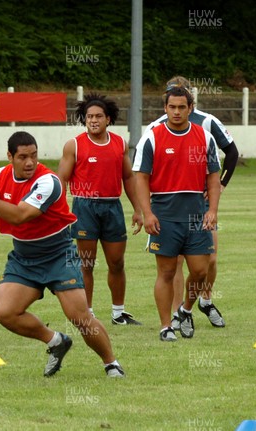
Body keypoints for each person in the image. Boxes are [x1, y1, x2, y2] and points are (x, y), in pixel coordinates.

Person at [0, 131, 124, 377]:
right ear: (10, 157)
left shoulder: (48, 181)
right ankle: (56, 341)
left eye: (33, 156)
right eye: (23, 157)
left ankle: (111, 364)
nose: (29, 162)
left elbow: (19, 215)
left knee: (79, 316)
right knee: (5, 312)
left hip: (59, 254)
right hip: (24, 257)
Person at [141, 76, 239, 329]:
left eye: (182, 103)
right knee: (173, 265)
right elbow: (141, 174)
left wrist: (219, 187)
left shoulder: (207, 124)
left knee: (208, 262)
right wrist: (145, 211)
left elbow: (231, 153)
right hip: (168, 210)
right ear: (165, 103)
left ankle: (203, 301)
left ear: (190, 102)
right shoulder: (154, 130)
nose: (176, 110)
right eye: (171, 103)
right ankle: (177, 315)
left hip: (200, 207)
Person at [58, 93, 144, 325]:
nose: (93, 120)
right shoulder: (74, 145)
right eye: (89, 116)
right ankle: (87, 313)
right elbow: (61, 179)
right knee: (87, 263)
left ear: (108, 119)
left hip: (112, 207)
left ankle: (118, 313)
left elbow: (128, 176)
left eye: (98, 116)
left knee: (117, 263)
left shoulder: (119, 144)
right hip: (84, 207)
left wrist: (138, 209)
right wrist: (61, 211)